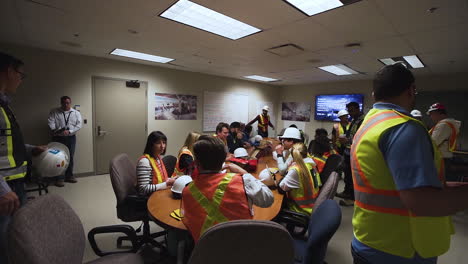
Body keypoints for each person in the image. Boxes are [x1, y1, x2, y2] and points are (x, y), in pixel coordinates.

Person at [350, 63, 468, 264]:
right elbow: (423, 203)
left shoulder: (370, 124)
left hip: (369, 237)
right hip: (399, 249)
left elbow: (386, 182)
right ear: (412, 90)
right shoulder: (404, 128)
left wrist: (443, 188)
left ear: (373, 94)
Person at [0, 52, 46, 264]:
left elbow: (7, 143)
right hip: (5, 189)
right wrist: (2, 189)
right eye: (20, 74)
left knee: (18, 238)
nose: (20, 78)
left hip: (15, 183)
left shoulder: (4, 105)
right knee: (6, 242)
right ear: (9, 71)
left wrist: (30, 149)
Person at [181, 136, 274, 241]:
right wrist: (245, 173)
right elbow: (268, 200)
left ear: (196, 163)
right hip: (242, 247)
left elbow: (188, 222)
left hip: (206, 250)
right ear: (223, 160)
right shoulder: (242, 181)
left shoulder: (187, 191)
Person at [48, 96, 82, 187]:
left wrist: (69, 131)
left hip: (71, 138)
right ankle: (59, 178)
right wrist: (57, 130)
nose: (66, 105)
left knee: (70, 157)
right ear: (61, 103)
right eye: (64, 103)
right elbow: (51, 122)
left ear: (70, 103)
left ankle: (69, 176)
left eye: (68, 103)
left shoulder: (75, 113)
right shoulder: (54, 111)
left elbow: (79, 125)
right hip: (58, 138)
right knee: (57, 158)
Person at [336, 101, 364, 206]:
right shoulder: (354, 120)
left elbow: (360, 136)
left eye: (352, 111)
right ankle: (347, 192)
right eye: (349, 111)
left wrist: (347, 140)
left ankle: (352, 198)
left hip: (356, 152)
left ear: (358, 109)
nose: (350, 113)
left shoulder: (362, 120)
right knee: (347, 174)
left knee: (353, 176)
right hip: (348, 151)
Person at [278, 143, 318, 216]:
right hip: (312, 206)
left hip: (300, 209)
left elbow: (281, 187)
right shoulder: (311, 163)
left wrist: (288, 171)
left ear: (293, 156)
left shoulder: (296, 170)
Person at [427, 103, 461, 179]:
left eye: (431, 114)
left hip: (440, 159)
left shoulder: (443, 125)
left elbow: (433, 143)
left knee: (438, 183)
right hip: (444, 158)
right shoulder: (448, 124)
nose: (430, 117)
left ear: (439, 113)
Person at [137, 131, 175, 195]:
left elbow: (160, 179)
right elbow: (143, 189)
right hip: (148, 198)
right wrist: (167, 184)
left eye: (164, 143)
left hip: (158, 193)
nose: (162, 146)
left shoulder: (157, 158)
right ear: (151, 145)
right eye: (158, 143)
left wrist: (171, 180)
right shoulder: (144, 162)